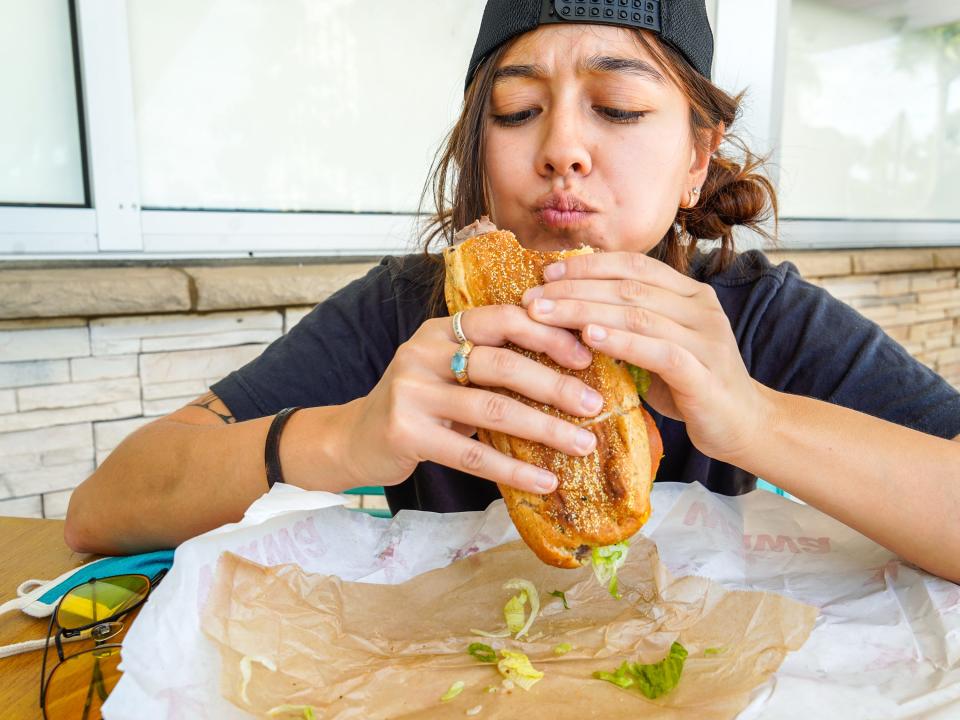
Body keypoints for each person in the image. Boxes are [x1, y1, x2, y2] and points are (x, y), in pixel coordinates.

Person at [66, 0, 960, 582]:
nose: (561, 150)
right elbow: (100, 510)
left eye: (616, 107)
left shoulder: (758, 314)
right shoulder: (405, 313)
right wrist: (346, 437)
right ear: (477, 154)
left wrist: (755, 418)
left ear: (696, 158)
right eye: (517, 110)